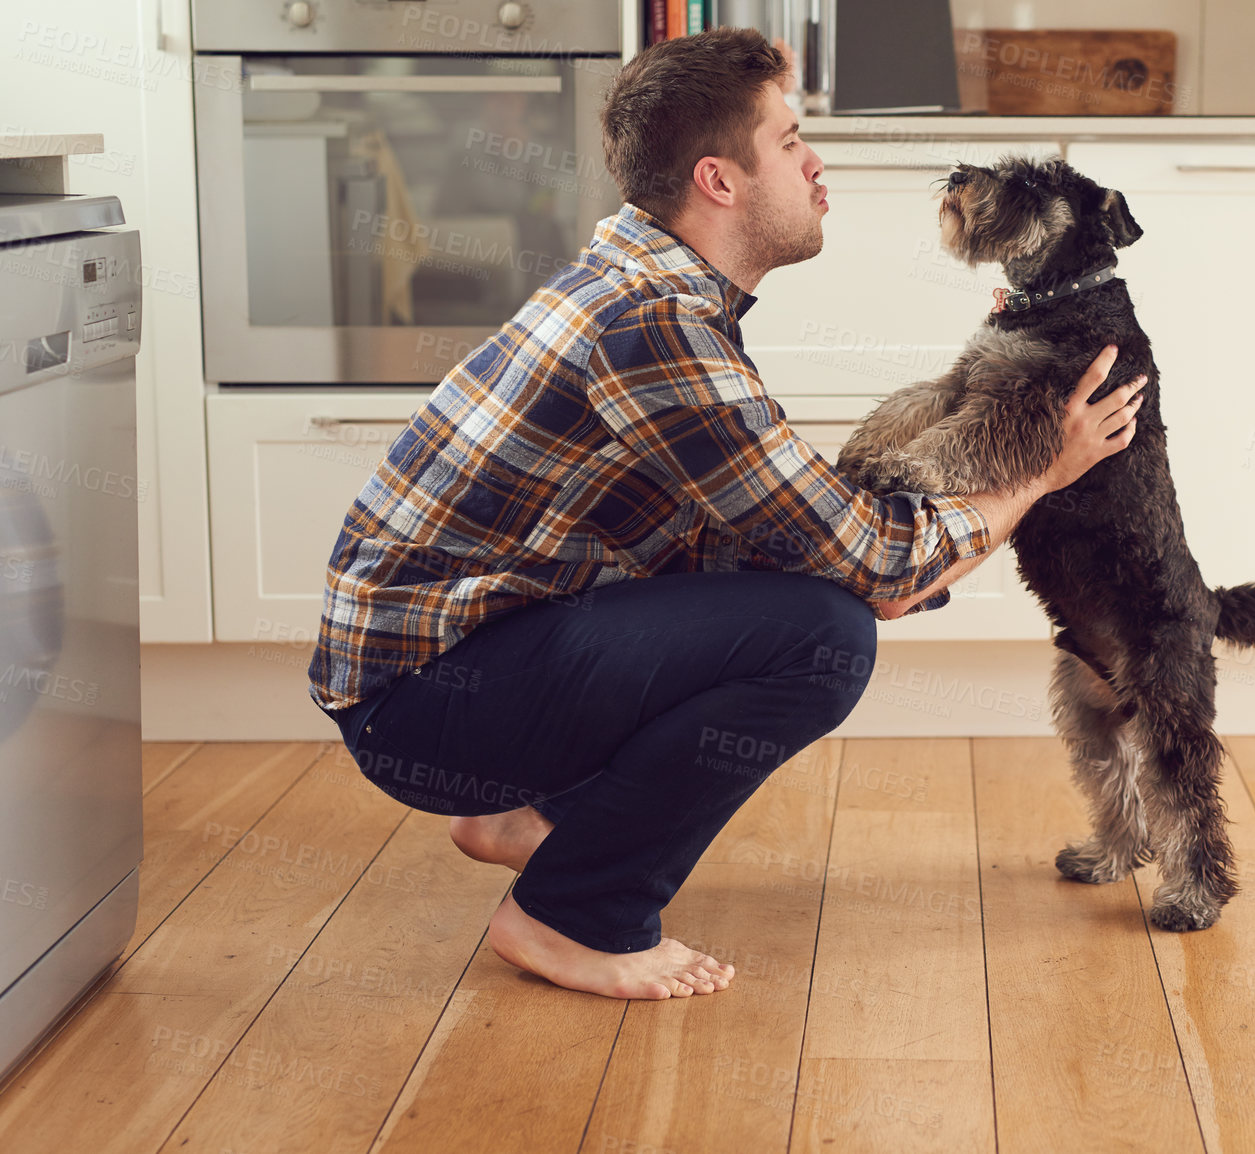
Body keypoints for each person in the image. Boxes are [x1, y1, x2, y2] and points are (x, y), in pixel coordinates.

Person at [305, 27, 1145, 1001]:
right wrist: (1043, 468)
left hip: (453, 665)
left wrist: (878, 563)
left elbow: (783, 527)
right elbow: (873, 565)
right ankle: (571, 912)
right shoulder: (655, 327)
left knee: (807, 589)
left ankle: (532, 816)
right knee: (823, 635)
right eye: (790, 140)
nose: (815, 159)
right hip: (423, 707)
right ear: (719, 179)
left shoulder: (655, 289)